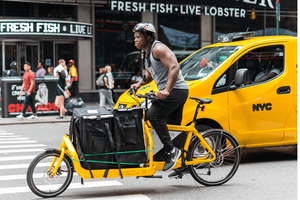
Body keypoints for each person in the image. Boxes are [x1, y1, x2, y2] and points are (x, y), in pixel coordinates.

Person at [130, 22, 189, 172]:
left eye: (138, 37)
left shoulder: (158, 48)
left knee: (153, 115)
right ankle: (182, 163)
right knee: (173, 127)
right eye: (134, 37)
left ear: (148, 36)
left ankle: (171, 151)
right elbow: (150, 74)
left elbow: (174, 67)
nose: (135, 40)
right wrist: (139, 83)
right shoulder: (146, 51)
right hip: (174, 91)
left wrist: (167, 90)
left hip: (176, 91)